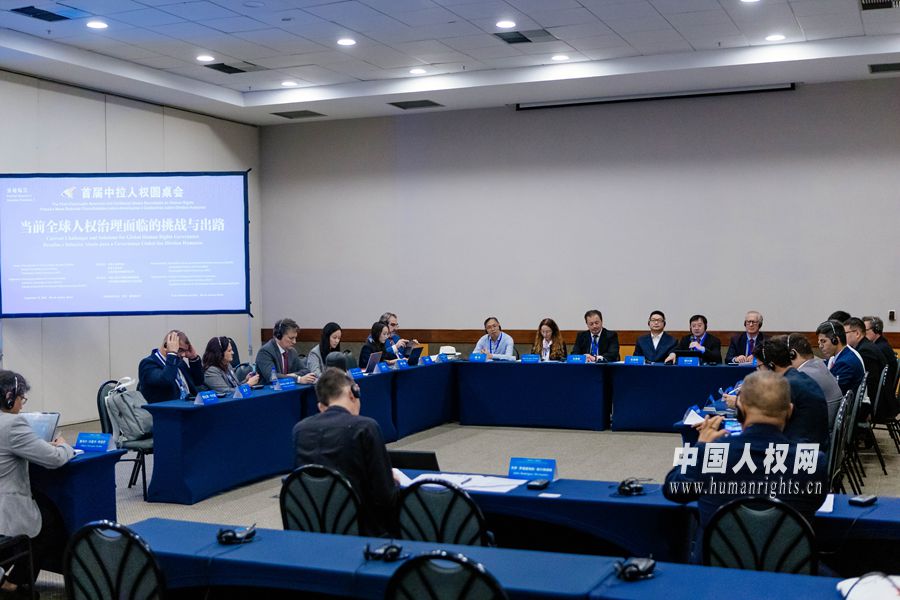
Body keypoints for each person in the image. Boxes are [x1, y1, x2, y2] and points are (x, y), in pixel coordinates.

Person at [664, 371, 827, 550]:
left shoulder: (711, 454)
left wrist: (699, 447)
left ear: (740, 409)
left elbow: (674, 490)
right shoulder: (813, 462)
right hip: (787, 564)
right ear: (790, 411)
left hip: (717, 564)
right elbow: (813, 504)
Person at [292, 368, 397, 536]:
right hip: (362, 531)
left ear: (321, 407)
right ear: (352, 393)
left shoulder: (300, 430)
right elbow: (385, 495)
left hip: (313, 530)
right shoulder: (365, 427)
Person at [0, 371, 74, 596]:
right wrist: (64, 445)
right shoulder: (12, 424)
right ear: (10, 397)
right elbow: (55, 459)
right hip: (5, 512)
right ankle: (12, 584)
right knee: (48, 524)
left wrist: (35, 445)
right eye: (21, 398)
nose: (22, 405)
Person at [751, 338, 829, 446]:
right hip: (814, 443)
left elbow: (767, 422)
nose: (758, 372)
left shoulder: (787, 385)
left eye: (759, 367)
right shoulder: (799, 377)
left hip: (801, 448)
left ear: (771, 366)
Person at [786, 333, 844, 430]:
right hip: (830, 423)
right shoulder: (818, 365)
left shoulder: (804, 374)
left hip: (822, 429)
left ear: (793, 354)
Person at [138, 330, 205, 403]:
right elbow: (166, 380)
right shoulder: (148, 363)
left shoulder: (178, 362)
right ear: (166, 346)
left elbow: (198, 381)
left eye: (185, 350)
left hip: (189, 405)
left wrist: (193, 358)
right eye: (180, 350)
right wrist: (172, 354)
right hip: (166, 409)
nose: (183, 354)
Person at [844, 317, 886, 420]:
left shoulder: (865, 351)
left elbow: (870, 383)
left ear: (857, 333)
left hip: (876, 405)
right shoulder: (865, 346)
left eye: (845, 333)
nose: (842, 337)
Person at [256, 318, 317, 385]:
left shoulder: (292, 351)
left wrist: (290, 376)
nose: (294, 342)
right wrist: (298, 379)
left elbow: (305, 371)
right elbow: (272, 377)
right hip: (269, 390)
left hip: (289, 389)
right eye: (291, 338)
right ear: (279, 336)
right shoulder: (265, 352)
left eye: (295, 338)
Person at [862, 316, 899, 420]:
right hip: (887, 398)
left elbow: (872, 381)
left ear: (876, 330)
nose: (862, 334)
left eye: (865, 331)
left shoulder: (878, 349)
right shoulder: (882, 345)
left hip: (882, 402)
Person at [816, 320, 864, 396]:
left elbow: (834, 393)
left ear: (835, 340)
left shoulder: (845, 363)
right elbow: (824, 364)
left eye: (823, 341)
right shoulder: (844, 353)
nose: (820, 346)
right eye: (819, 343)